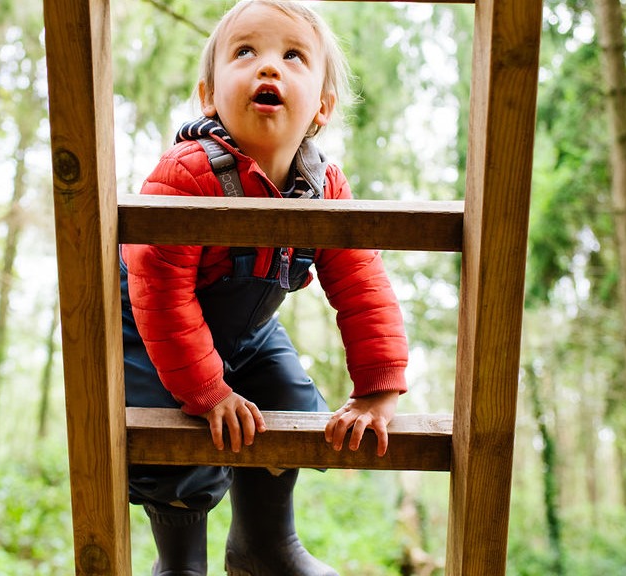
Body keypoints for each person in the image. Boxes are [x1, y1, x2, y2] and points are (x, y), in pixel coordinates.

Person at [120, 1, 409, 574]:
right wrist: (208, 392)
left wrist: (378, 388)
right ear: (209, 95)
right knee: (175, 451)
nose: (268, 67)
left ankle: (265, 546)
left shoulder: (322, 185)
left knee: (290, 402)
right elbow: (162, 294)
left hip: (248, 333)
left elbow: (361, 284)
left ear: (322, 107)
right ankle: (179, 562)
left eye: (293, 56)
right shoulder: (187, 174)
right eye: (246, 52)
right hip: (153, 334)